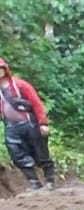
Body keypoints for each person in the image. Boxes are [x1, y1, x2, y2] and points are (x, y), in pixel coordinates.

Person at [0, 56, 56, 191]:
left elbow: (36, 103)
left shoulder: (20, 85)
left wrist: (43, 123)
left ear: (5, 69)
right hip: (11, 127)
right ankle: (34, 183)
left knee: (41, 153)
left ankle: (50, 182)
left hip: (29, 124)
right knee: (17, 155)